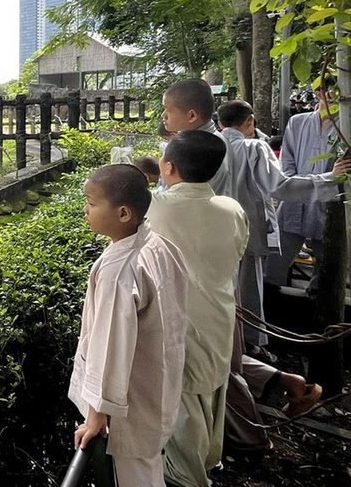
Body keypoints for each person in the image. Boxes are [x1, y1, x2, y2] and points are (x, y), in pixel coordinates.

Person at [70, 164, 189, 487]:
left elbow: (111, 345)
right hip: (156, 386)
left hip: (128, 405)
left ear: (123, 214)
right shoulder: (160, 245)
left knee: (134, 476)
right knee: (147, 468)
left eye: (92, 203)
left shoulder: (120, 272)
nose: (86, 210)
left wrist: (97, 414)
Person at [146, 131, 248, 487]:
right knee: (211, 394)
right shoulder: (232, 209)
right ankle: (209, 461)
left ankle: (189, 479)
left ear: (168, 166)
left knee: (184, 406)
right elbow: (237, 253)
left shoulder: (156, 207)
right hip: (220, 318)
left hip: (180, 326)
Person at [217, 100, 346, 361]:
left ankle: (225, 342)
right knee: (249, 287)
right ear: (250, 121)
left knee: (221, 287)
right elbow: (281, 186)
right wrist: (330, 179)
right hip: (247, 227)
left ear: (219, 123)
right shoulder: (254, 147)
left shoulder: (209, 145)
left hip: (214, 230)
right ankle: (249, 345)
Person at [266, 74, 341, 294]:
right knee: (276, 258)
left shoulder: (345, 125)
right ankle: (271, 296)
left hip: (330, 200)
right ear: (319, 94)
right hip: (295, 198)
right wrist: (291, 187)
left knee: (327, 263)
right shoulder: (298, 122)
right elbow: (286, 162)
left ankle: (319, 297)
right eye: (330, 93)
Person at [162, 79, 236, 198]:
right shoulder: (198, 140)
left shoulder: (205, 148)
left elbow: (187, 197)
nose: (163, 115)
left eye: (168, 110)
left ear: (192, 116)